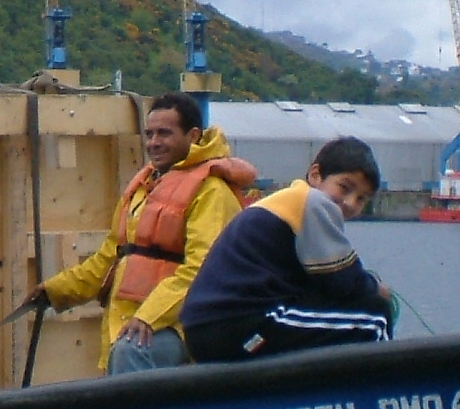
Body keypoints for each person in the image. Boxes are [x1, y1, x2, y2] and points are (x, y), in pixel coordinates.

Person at [29, 92, 256, 374]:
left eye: (164, 133)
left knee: (131, 352)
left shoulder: (212, 192)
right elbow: (110, 258)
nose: (153, 143)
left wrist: (149, 317)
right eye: (149, 134)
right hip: (135, 321)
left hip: (184, 326)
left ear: (193, 135)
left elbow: (202, 270)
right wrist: (55, 292)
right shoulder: (145, 188)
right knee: (126, 352)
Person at [180, 136, 394, 362]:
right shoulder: (312, 202)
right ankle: (389, 393)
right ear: (315, 175)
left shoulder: (286, 202)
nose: (350, 202)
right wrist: (376, 287)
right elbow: (343, 283)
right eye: (344, 187)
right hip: (239, 327)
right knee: (374, 317)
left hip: (207, 331)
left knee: (329, 316)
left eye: (361, 199)